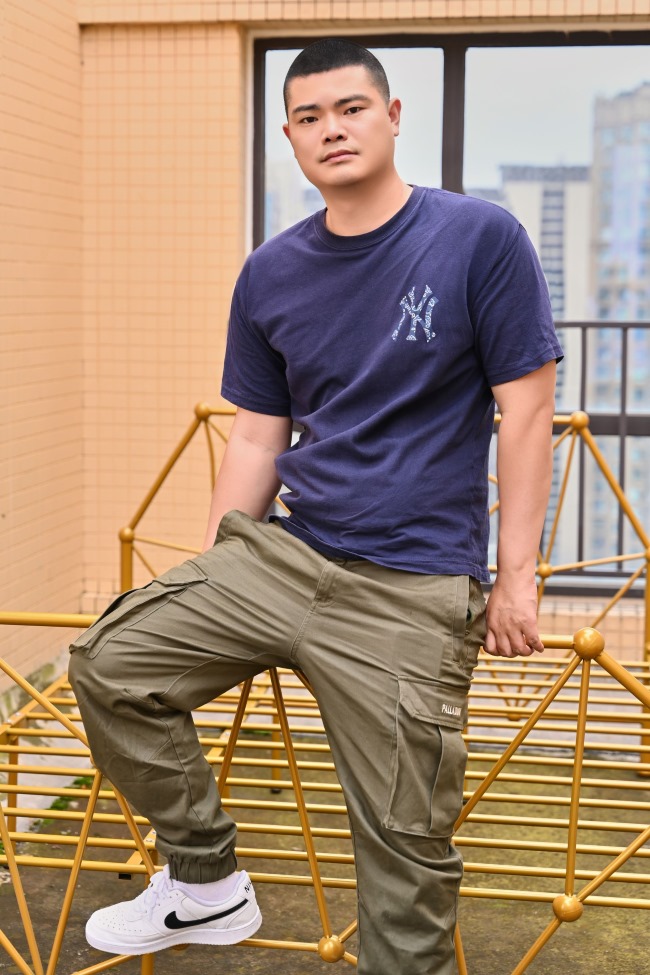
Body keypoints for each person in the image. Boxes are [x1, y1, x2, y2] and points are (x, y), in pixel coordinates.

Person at [68, 38, 562, 975]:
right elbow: (259, 436)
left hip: (412, 584)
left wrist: (516, 581)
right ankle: (206, 879)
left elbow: (526, 411)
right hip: (286, 555)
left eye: (350, 108)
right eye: (308, 117)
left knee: (404, 851)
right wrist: (217, 561)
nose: (331, 129)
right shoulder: (271, 272)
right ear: (290, 138)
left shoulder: (479, 238)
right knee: (109, 661)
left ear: (393, 116)